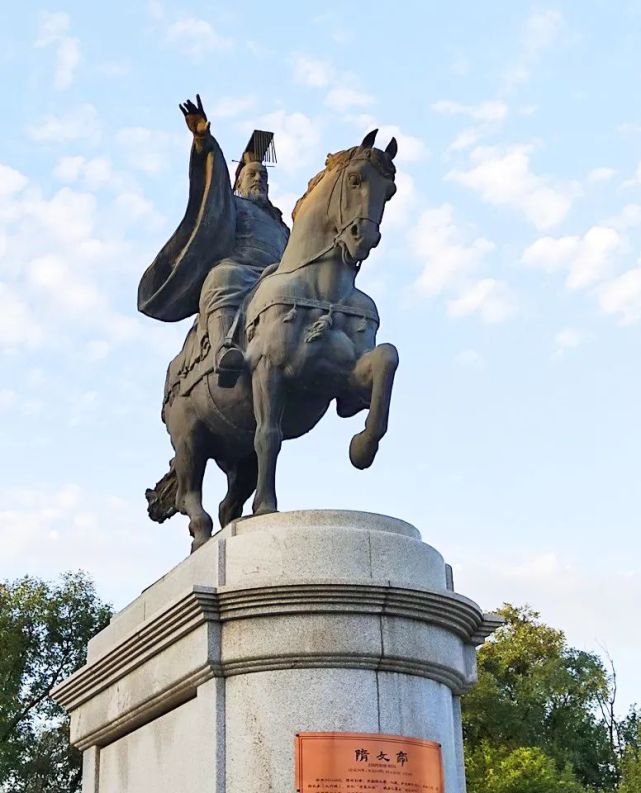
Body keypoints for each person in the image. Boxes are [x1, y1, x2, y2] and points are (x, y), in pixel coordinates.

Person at [138, 95, 289, 388]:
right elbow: (215, 175)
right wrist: (203, 141)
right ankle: (223, 350)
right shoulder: (232, 204)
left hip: (278, 279)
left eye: (263, 175)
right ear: (238, 182)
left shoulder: (280, 224)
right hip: (242, 272)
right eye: (252, 174)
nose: (258, 179)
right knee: (222, 276)